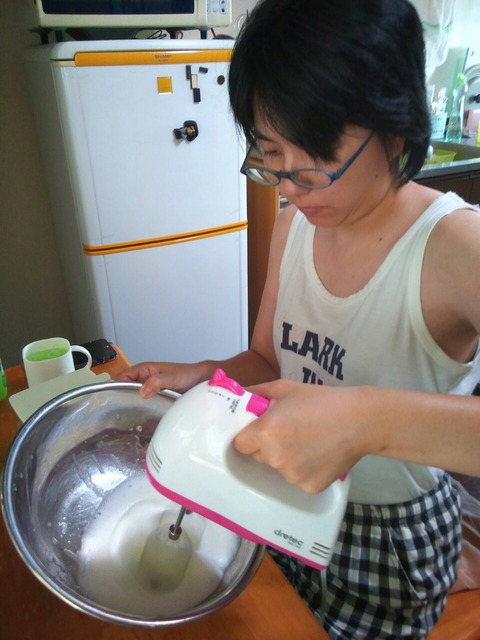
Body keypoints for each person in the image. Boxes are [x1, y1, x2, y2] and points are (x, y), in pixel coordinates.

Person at [118, 0, 480, 637]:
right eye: (269, 153)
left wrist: (366, 423)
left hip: (386, 538)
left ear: (396, 128)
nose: (287, 185)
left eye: (313, 152)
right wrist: (204, 376)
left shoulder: (453, 245)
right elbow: (267, 361)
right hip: (279, 495)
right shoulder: (293, 228)